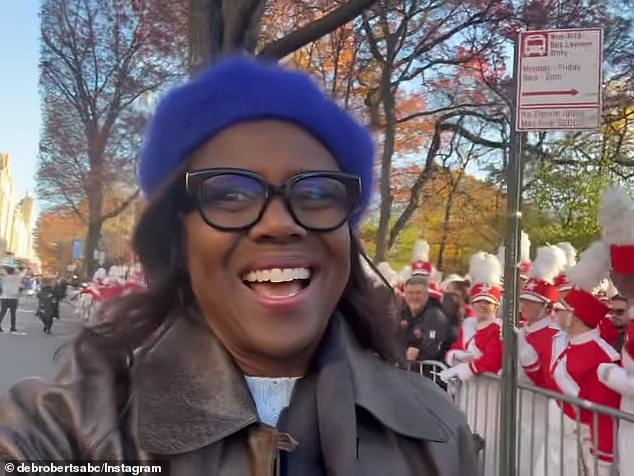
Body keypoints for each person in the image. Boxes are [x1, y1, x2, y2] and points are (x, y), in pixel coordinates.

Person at [0, 56, 475, 475]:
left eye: (314, 193)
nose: (278, 224)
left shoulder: (437, 431)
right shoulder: (64, 430)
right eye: (230, 193)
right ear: (177, 236)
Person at [400, 275, 451, 365]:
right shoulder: (402, 313)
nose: (414, 297)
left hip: (430, 374)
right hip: (406, 371)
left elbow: (433, 349)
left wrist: (418, 353)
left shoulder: (434, 315)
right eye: (410, 293)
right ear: (405, 294)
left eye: (418, 293)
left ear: (427, 295)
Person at [0, 266, 23, 334]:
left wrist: (3, 268)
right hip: (13, 298)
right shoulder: (17, 278)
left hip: (4, 297)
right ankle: (13, 327)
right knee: (13, 313)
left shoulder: (4, 278)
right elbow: (20, 273)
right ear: (13, 271)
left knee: (2, 312)